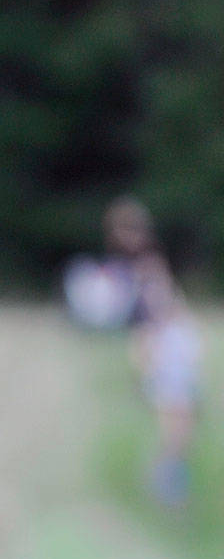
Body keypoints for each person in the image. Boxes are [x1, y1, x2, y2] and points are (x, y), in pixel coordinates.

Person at [102, 195, 201, 506]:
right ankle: (163, 487)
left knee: (183, 423)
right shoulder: (123, 271)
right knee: (174, 424)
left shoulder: (151, 264)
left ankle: (168, 485)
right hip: (157, 349)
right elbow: (139, 320)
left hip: (173, 346)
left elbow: (171, 305)